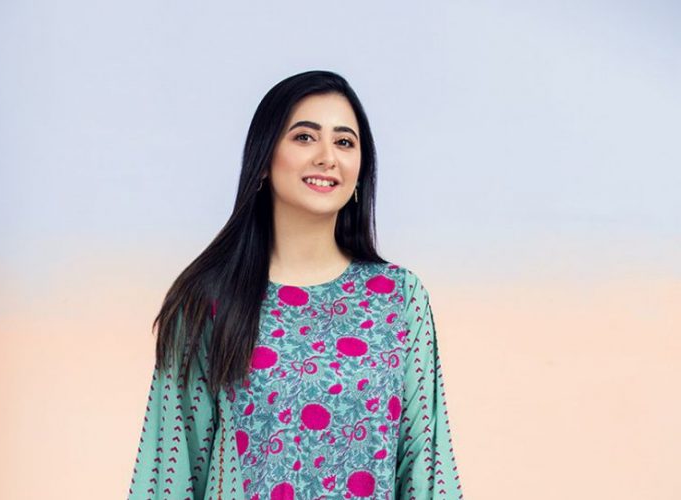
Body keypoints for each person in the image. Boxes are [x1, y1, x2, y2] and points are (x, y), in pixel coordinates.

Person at [127, 70, 464, 499]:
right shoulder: (208, 300)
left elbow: (425, 469)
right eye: (305, 137)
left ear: (361, 172)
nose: (327, 157)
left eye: (344, 142)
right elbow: (170, 474)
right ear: (263, 160)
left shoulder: (398, 298)